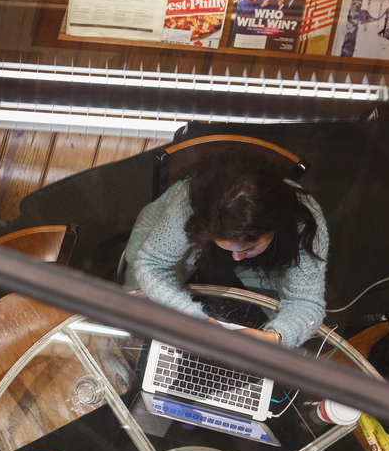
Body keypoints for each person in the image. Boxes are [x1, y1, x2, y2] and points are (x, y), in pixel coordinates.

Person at [124, 149, 328, 348]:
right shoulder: (190, 204)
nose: (237, 257)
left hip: (258, 274)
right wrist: (196, 318)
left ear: (274, 225)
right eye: (228, 246)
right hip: (182, 256)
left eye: (248, 248)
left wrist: (275, 338)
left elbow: (306, 302)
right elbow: (150, 264)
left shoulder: (304, 221)